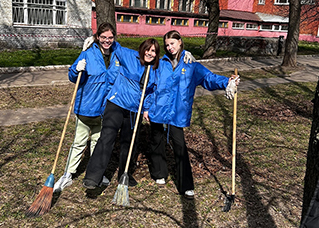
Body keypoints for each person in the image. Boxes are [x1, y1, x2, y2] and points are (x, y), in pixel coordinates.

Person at [144, 30, 239, 199]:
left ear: (180, 42)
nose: (169, 47)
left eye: (172, 43)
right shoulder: (160, 63)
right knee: (156, 141)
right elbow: (150, 86)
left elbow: (209, 78)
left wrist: (227, 82)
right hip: (158, 109)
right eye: (166, 45)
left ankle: (186, 185)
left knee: (179, 146)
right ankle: (160, 173)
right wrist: (146, 107)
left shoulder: (191, 65)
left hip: (177, 112)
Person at [83, 38, 160, 190]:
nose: (149, 53)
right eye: (147, 49)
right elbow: (113, 44)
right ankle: (93, 177)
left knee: (130, 142)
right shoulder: (130, 56)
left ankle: (125, 174)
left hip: (134, 110)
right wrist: (96, 38)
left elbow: (151, 92)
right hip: (117, 103)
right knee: (107, 137)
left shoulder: (156, 69)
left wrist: (146, 108)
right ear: (141, 48)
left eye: (153, 51)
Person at [53, 23, 120, 193]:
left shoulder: (117, 55)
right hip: (86, 107)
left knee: (98, 144)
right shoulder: (88, 54)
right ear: (98, 37)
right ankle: (68, 174)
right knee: (79, 143)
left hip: (104, 109)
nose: (107, 41)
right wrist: (76, 70)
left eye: (110, 37)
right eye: (103, 37)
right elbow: (73, 77)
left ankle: (95, 173)